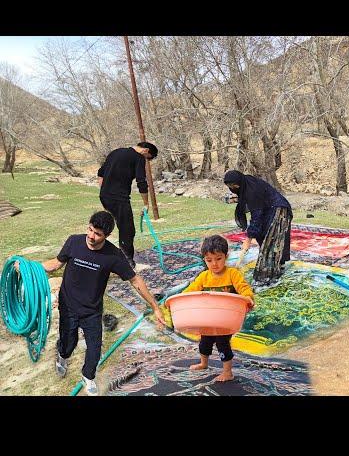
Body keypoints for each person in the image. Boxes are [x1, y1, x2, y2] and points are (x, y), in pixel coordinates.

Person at [14, 211, 164, 396]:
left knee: (94, 349)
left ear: (107, 235)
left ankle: (88, 377)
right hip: (68, 305)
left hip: (92, 310)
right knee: (69, 343)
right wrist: (28, 267)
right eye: (90, 230)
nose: (92, 237)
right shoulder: (74, 242)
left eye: (98, 234)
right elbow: (56, 264)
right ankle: (63, 355)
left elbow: (135, 280)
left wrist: (155, 307)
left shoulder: (113, 255)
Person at [185, 235, 255, 382]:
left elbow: (244, 288)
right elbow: (190, 291)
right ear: (204, 259)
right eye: (209, 260)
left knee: (222, 343)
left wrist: (248, 298)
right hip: (209, 319)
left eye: (218, 259)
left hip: (226, 320)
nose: (214, 264)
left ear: (226, 256)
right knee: (204, 342)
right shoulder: (204, 277)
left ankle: (227, 372)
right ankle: (204, 363)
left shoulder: (232, 274)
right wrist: (177, 301)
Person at [223, 170, 293, 284]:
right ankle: (273, 267)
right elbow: (257, 212)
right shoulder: (246, 184)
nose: (233, 188)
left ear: (239, 181)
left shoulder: (251, 190)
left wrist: (248, 239)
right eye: (230, 186)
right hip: (268, 208)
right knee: (263, 236)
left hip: (278, 209)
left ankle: (271, 273)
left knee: (271, 240)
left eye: (234, 185)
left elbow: (256, 216)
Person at [97, 141, 159, 268]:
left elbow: (100, 173)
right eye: (148, 159)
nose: (146, 160)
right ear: (146, 151)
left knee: (107, 226)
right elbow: (141, 181)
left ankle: (99, 254)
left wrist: (104, 191)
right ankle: (126, 262)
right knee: (127, 230)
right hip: (119, 198)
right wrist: (146, 204)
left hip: (105, 196)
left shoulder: (116, 152)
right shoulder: (138, 157)